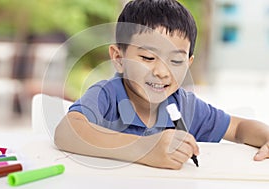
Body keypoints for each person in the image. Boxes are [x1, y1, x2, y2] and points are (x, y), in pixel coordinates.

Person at [54, 0, 269, 170]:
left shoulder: (185, 106)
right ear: (119, 58)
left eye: (176, 61)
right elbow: (66, 131)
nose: (162, 72)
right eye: (148, 58)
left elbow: (239, 128)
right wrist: (145, 148)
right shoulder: (107, 95)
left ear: (188, 63)